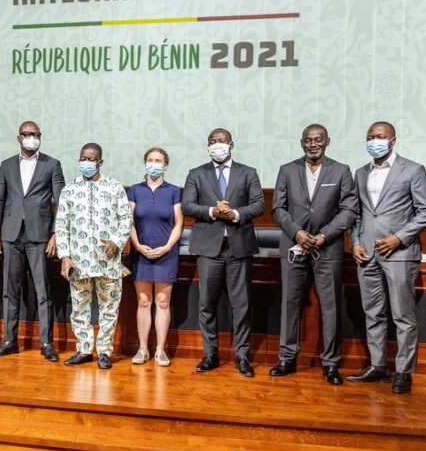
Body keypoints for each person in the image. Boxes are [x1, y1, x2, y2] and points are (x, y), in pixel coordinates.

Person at [270, 124, 357, 385]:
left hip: (327, 248)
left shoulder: (341, 171)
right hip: (294, 247)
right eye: (308, 140)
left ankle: (330, 364)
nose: (313, 144)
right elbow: (278, 208)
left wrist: (323, 236)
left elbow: (348, 210)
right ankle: (287, 359)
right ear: (301, 142)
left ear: (327, 141)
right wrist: (297, 232)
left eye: (318, 140)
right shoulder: (287, 170)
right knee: (289, 304)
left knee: (330, 307)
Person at [348, 122, 426, 394]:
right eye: (370, 137)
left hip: (399, 254)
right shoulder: (361, 173)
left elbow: (424, 212)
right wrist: (355, 242)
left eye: (380, 136)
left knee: (403, 315)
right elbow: (357, 215)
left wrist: (399, 238)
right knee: (373, 312)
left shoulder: (413, 170)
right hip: (367, 255)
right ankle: (378, 365)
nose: (374, 141)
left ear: (393, 140)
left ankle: (403, 371)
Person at [181, 128, 264, 377]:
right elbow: (187, 205)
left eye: (222, 141)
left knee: (242, 305)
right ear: (208, 146)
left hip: (239, 247)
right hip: (209, 248)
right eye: (213, 142)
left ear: (231, 145)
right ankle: (210, 354)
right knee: (207, 304)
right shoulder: (196, 174)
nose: (217, 145)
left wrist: (235, 213)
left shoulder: (248, 173)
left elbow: (259, 204)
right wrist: (213, 211)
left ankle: (242, 356)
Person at [0, 121, 65, 362]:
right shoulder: (7, 165)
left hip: (40, 235)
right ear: (18, 138)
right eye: (26, 134)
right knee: (9, 291)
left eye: (35, 134)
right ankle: (9, 341)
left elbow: (61, 201)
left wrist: (56, 234)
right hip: (11, 235)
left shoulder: (52, 164)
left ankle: (46, 344)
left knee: (43, 291)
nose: (31, 138)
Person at [55, 143, 131, 370]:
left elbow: (126, 219)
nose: (86, 162)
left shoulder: (114, 187)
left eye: (91, 159)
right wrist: (65, 256)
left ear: (100, 162)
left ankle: (104, 351)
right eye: (83, 158)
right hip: (78, 261)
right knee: (79, 306)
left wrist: (116, 241)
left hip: (108, 260)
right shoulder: (69, 189)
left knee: (109, 307)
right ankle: (84, 349)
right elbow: (61, 225)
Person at [127, 147, 183, 367]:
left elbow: (179, 223)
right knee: (143, 301)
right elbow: (129, 221)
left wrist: (167, 247)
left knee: (162, 301)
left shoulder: (173, 191)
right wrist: (138, 246)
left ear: (165, 165)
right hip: (140, 253)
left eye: (158, 160)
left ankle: (160, 350)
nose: (153, 164)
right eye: (150, 160)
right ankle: (142, 349)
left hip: (166, 254)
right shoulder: (135, 190)